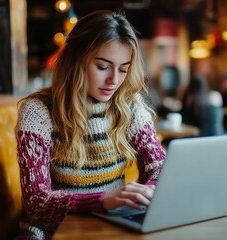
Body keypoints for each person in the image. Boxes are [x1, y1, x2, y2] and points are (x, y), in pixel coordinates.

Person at [15, 10, 166, 239]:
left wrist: (151, 190)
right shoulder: (38, 111)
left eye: (123, 69)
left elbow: (157, 164)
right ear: (76, 60)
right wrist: (103, 200)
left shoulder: (130, 107)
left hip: (112, 226)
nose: (114, 80)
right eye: (103, 67)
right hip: (53, 230)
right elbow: (37, 204)